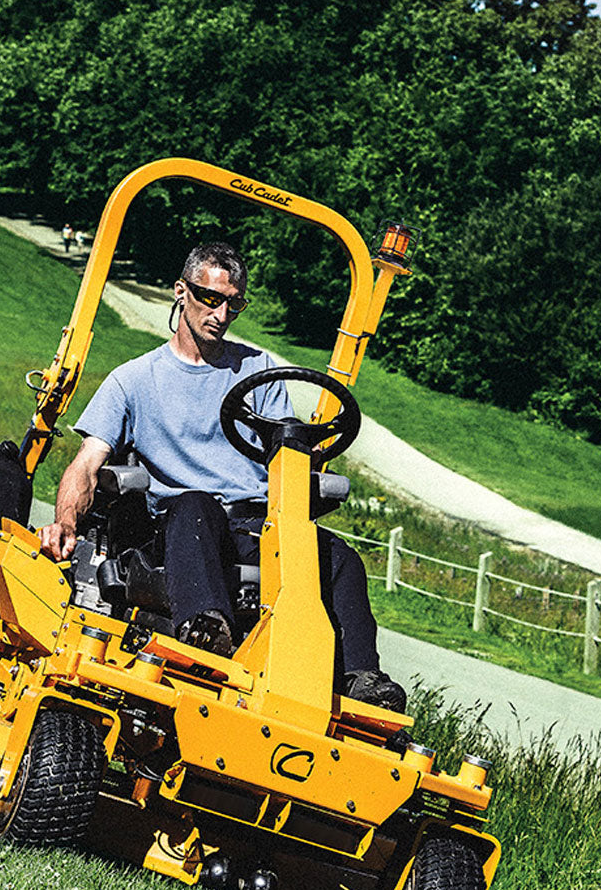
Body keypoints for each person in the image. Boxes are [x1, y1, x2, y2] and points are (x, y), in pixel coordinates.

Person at [39, 241, 406, 712]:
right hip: (180, 528)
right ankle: (206, 629)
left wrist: (305, 461)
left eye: (233, 303)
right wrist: (65, 523)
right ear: (181, 292)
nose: (221, 313)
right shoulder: (134, 379)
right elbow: (87, 464)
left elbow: (285, 454)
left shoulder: (260, 371)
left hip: (253, 524)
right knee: (196, 506)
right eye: (210, 298)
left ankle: (360, 679)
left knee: (338, 557)